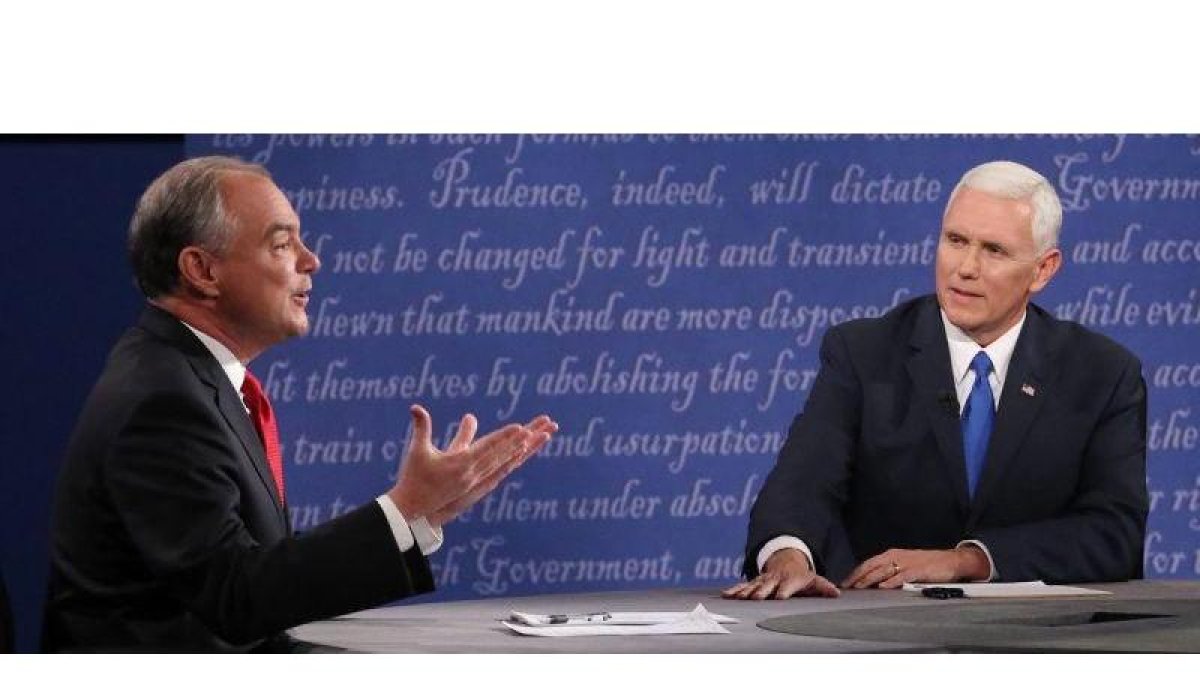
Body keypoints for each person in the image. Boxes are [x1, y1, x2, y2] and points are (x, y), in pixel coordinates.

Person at [43, 156, 558, 651]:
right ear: (202, 269)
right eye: (282, 243)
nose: (311, 260)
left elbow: (253, 573)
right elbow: (235, 597)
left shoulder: (188, 376)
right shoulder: (162, 399)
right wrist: (402, 508)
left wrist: (418, 512)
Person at [725, 160, 1147, 601]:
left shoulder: (1102, 373)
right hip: (880, 637)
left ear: (1043, 270)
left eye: (994, 250)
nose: (966, 267)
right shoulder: (864, 353)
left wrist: (967, 560)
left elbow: (1114, 534)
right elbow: (801, 484)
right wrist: (788, 555)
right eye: (956, 240)